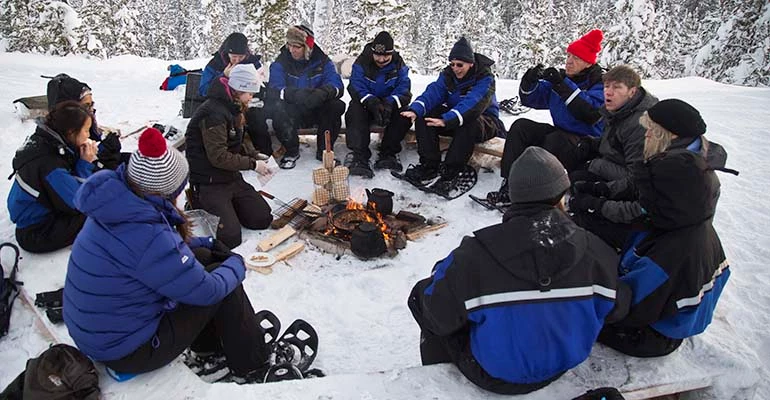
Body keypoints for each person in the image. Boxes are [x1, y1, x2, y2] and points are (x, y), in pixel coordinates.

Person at [408, 146, 630, 395]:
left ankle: (442, 385)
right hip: (562, 365)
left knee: (423, 295)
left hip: (492, 374)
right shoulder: (594, 248)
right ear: (561, 196)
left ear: (514, 196)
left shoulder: (474, 255)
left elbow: (439, 315)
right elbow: (616, 308)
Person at [63, 128, 273, 382]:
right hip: (128, 350)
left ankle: (210, 346)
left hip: (100, 333)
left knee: (205, 256)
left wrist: (204, 243)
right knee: (224, 283)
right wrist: (237, 263)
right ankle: (254, 364)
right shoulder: (148, 234)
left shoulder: (116, 205)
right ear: (168, 192)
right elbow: (208, 290)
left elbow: (153, 256)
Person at [596, 99, 733, 357]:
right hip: (670, 313)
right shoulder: (687, 205)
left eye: (649, 131)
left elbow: (625, 310)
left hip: (654, 335)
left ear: (666, 136)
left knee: (573, 315)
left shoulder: (669, 252)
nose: (644, 135)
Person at [487, 29, 605, 206]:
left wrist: (561, 84)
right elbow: (531, 99)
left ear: (588, 63)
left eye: (576, 58)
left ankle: (538, 194)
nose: (569, 62)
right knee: (521, 127)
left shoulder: (600, 83)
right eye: (569, 56)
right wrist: (529, 82)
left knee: (554, 140)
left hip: (586, 142)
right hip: (562, 133)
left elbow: (590, 114)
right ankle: (510, 185)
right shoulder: (563, 80)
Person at [563, 65, 657, 249]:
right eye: (607, 86)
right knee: (574, 162)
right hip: (617, 168)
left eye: (617, 87)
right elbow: (613, 143)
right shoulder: (619, 110)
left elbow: (635, 177)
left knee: (581, 180)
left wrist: (596, 169)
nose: (609, 92)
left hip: (633, 187)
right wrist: (592, 143)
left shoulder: (639, 123)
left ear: (632, 91)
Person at [401, 36, 504, 197]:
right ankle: (429, 165)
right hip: (453, 118)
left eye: (460, 65)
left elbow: (473, 104)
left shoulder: (485, 78)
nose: (455, 68)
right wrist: (416, 109)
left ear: (470, 63)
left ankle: (452, 171)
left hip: (484, 121)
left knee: (469, 121)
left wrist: (447, 119)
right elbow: (433, 93)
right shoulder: (448, 76)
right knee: (425, 115)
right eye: (452, 64)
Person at [185, 64, 273, 249]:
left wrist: (254, 154)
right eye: (250, 92)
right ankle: (198, 201)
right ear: (239, 89)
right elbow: (218, 156)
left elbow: (235, 141)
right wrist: (252, 164)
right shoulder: (213, 113)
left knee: (262, 218)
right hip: (209, 180)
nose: (252, 97)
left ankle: (229, 206)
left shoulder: (233, 106)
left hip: (230, 177)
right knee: (230, 238)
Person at [7, 101, 99, 253]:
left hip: (36, 217)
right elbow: (78, 202)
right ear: (71, 132)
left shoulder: (47, 141)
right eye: (86, 130)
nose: (89, 135)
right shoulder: (50, 164)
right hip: (37, 232)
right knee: (95, 211)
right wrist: (84, 164)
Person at [266, 24, 345, 169]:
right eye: (290, 45)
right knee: (277, 107)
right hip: (293, 111)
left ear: (307, 47)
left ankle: (324, 150)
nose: (292, 50)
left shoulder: (323, 61)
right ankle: (291, 150)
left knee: (336, 106)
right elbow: (274, 88)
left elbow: (337, 86)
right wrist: (293, 94)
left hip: (317, 109)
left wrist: (323, 93)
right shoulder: (281, 62)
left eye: (297, 46)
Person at [344, 31, 412, 178]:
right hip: (367, 103)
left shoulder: (398, 64)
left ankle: (388, 152)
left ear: (392, 53)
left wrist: (390, 102)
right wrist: (370, 101)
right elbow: (356, 85)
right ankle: (360, 156)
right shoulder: (362, 62)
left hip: (389, 104)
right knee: (354, 111)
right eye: (378, 55)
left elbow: (404, 88)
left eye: (386, 56)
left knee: (405, 114)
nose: (381, 59)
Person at [198, 33, 272, 156]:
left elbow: (261, 84)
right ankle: (234, 154)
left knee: (256, 116)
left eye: (240, 57)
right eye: (234, 57)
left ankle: (265, 153)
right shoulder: (215, 64)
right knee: (231, 117)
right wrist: (223, 77)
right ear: (227, 53)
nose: (237, 60)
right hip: (223, 104)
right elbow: (203, 89)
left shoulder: (252, 62)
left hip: (246, 102)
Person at [46, 73, 123, 170]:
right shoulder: (54, 154)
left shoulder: (83, 125)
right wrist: (101, 155)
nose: (91, 110)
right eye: (86, 106)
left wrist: (106, 149)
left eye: (92, 104)